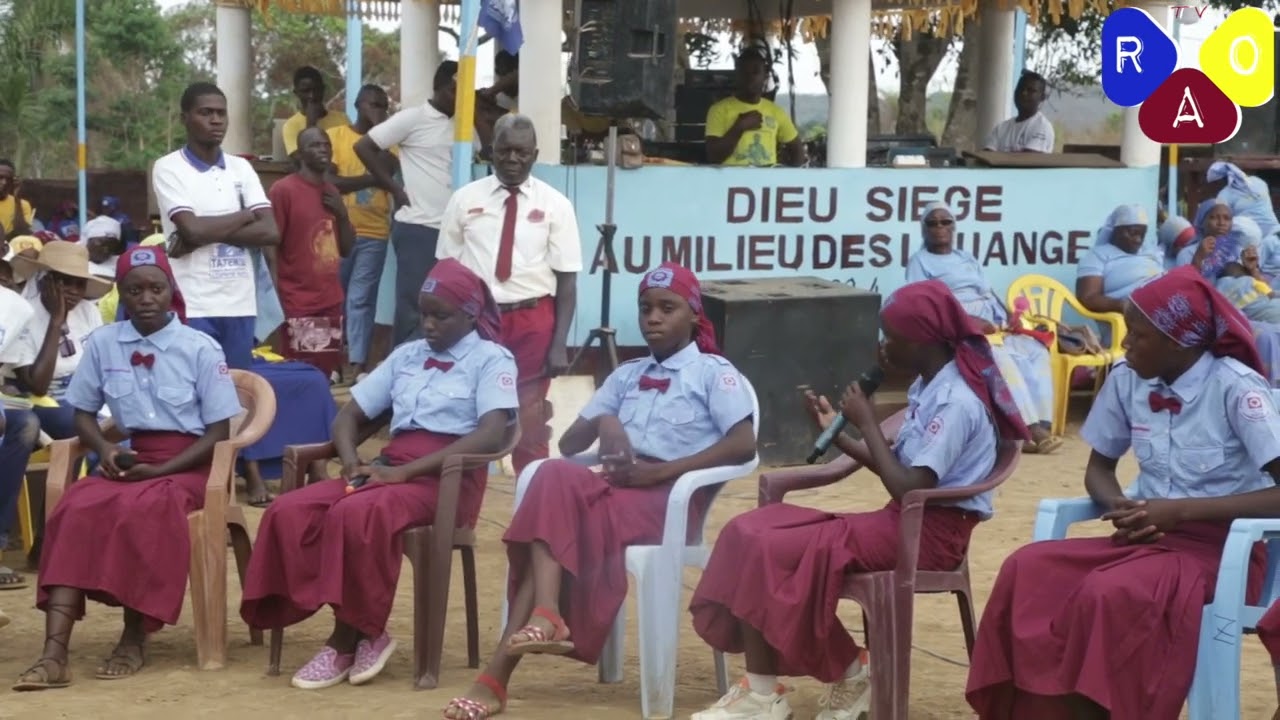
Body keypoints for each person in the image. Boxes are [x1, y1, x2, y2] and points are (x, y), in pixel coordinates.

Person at [688, 279, 1027, 720]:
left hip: (929, 534)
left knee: (771, 547)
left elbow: (909, 486)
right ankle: (771, 690)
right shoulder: (930, 385)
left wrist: (868, 422)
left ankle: (829, 677)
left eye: (892, 336)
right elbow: (898, 470)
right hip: (899, 521)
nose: (882, 345)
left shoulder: (957, 401)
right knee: (747, 531)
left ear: (924, 339)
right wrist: (842, 434)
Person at [441, 262, 757, 720]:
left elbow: (742, 442)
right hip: (615, 489)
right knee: (551, 474)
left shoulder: (713, 373)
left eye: (667, 309)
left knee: (551, 529)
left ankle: (498, 674)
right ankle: (545, 614)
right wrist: (608, 421)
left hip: (666, 503)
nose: (653, 318)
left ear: (693, 314)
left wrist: (664, 471)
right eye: (645, 308)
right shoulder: (627, 374)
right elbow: (570, 444)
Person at [965, 267, 1280, 720]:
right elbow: (1100, 468)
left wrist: (1180, 512)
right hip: (1145, 538)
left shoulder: (1236, 388)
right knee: (1027, 569)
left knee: (1107, 592)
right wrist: (1119, 506)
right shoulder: (1127, 378)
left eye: (1138, 334)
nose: (1125, 343)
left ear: (1180, 342)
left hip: (1220, 551)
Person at [240, 258, 518, 689]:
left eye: (440, 316)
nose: (428, 324)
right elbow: (347, 418)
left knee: (357, 513)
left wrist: (406, 475)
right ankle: (365, 630)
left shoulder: (491, 359)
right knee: (290, 510)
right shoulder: (407, 355)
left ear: (470, 314)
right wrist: (352, 464)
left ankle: (347, 638)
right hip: (388, 470)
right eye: (423, 313)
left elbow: (491, 433)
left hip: (446, 479)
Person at [12, 245, 243, 691]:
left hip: (187, 464)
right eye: (134, 290)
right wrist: (106, 450)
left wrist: (163, 470)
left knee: (149, 510)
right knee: (75, 506)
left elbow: (217, 432)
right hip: (131, 459)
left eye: (155, 288)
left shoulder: (199, 347)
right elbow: (82, 414)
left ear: (170, 290)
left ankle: (134, 637)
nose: (146, 298)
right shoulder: (103, 343)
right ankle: (54, 653)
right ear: (121, 294)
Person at [437, 113, 580, 475]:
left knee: (530, 420)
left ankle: (531, 512)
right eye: (504, 152)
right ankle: (462, 509)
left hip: (534, 321)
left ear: (535, 154)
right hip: (477, 321)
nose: (512, 160)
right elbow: (445, 272)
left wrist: (559, 342)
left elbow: (567, 283)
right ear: (490, 152)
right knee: (469, 413)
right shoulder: (464, 199)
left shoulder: (556, 205)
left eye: (521, 152)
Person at [907, 202, 1061, 453]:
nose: (939, 227)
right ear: (923, 229)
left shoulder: (965, 258)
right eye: (932, 223)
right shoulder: (920, 261)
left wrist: (1008, 315)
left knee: (1035, 351)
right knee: (999, 358)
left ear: (954, 226)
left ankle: (1044, 423)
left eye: (945, 222)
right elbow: (922, 304)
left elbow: (986, 291)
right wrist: (969, 322)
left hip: (993, 325)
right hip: (960, 330)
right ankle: (1028, 428)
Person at [151, 81, 280, 373]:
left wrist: (200, 232)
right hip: (194, 303)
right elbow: (192, 230)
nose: (216, 120)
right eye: (206, 112)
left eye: (221, 113)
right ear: (185, 118)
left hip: (241, 304)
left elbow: (271, 231)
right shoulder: (169, 167)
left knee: (236, 394)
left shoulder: (241, 168)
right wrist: (245, 215)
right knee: (194, 391)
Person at [355, 62, 461, 346]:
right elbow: (364, 146)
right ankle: (401, 375)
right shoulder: (413, 119)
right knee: (414, 307)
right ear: (439, 88)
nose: (459, 97)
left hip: (452, 229)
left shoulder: (463, 125)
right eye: (454, 90)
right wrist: (393, 188)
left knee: (447, 306)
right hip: (418, 226)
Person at [267, 127, 355, 379]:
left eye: (326, 144)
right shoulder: (284, 190)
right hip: (300, 300)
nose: (323, 150)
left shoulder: (332, 192)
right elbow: (271, 244)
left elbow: (347, 249)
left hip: (330, 299)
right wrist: (276, 291)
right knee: (302, 372)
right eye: (314, 145)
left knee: (323, 372)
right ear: (300, 153)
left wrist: (342, 213)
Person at [7, 242, 110, 439]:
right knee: (94, 429)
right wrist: (56, 321)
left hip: (86, 398)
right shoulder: (25, 314)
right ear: (44, 281)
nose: (73, 291)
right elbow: (38, 386)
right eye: (65, 282)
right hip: (46, 404)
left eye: (80, 284)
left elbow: (101, 366)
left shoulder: (88, 312)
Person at [327, 84, 395, 380]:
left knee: (360, 299)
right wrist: (371, 178)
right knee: (331, 298)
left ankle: (357, 365)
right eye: (374, 105)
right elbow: (332, 183)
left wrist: (352, 179)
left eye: (384, 106)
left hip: (374, 232)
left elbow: (388, 172)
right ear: (358, 104)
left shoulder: (389, 141)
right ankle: (329, 364)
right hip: (334, 233)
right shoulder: (335, 137)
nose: (380, 111)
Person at [705, 49, 805, 167]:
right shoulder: (718, 110)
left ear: (765, 76)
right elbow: (713, 157)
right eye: (744, 72)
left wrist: (785, 178)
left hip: (765, 184)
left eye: (755, 72)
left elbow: (798, 152)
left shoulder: (776, 112)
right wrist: (740, 126)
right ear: (737, 75)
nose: (750, 77)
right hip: (731, 184)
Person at [1075, 204, 1163, 315]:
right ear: (1116, 231)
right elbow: (1088, 298)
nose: (1138, 240)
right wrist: (1122, 305)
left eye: (1142, 234)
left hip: (1163, 308)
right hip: (1132, 317)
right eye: (1133, 233)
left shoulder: (1149, 252)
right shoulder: (1097, 256)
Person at [281, 66, 350, 159]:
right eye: (306, 91)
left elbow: (349, 153)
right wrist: (311, 123)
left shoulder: (342, 119)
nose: (312, 96)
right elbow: (301, 161)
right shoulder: (291, 125)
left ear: (323, 89)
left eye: (316, 89)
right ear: (296, 93)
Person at [982, 72, 1055, 153]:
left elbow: (1027, 161)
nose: (1024, 93)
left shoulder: (1042, 126)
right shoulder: (1001, 128)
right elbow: (987, 157)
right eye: (1020, 88)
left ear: (1042, 97)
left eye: (1030, 90)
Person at [0, 159, 34, 240]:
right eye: (0, 177)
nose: (4, 182)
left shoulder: (22, 205)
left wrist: (16, 197)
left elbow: (22, 233)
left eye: (8, 179)